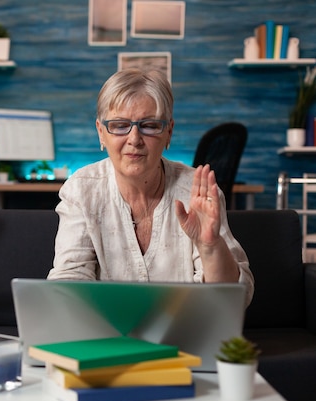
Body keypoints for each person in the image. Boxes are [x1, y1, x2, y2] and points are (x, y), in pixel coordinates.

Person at [47, 68, 254, 306]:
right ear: (101, 133)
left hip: (186, 333)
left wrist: (210, 246)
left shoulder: (199, 193)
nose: (134, 139)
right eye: (119, 125)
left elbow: (236, 300)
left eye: (149, 125)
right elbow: (69, 279)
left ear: (169, 132)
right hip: (109, 335)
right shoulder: (81, 191)